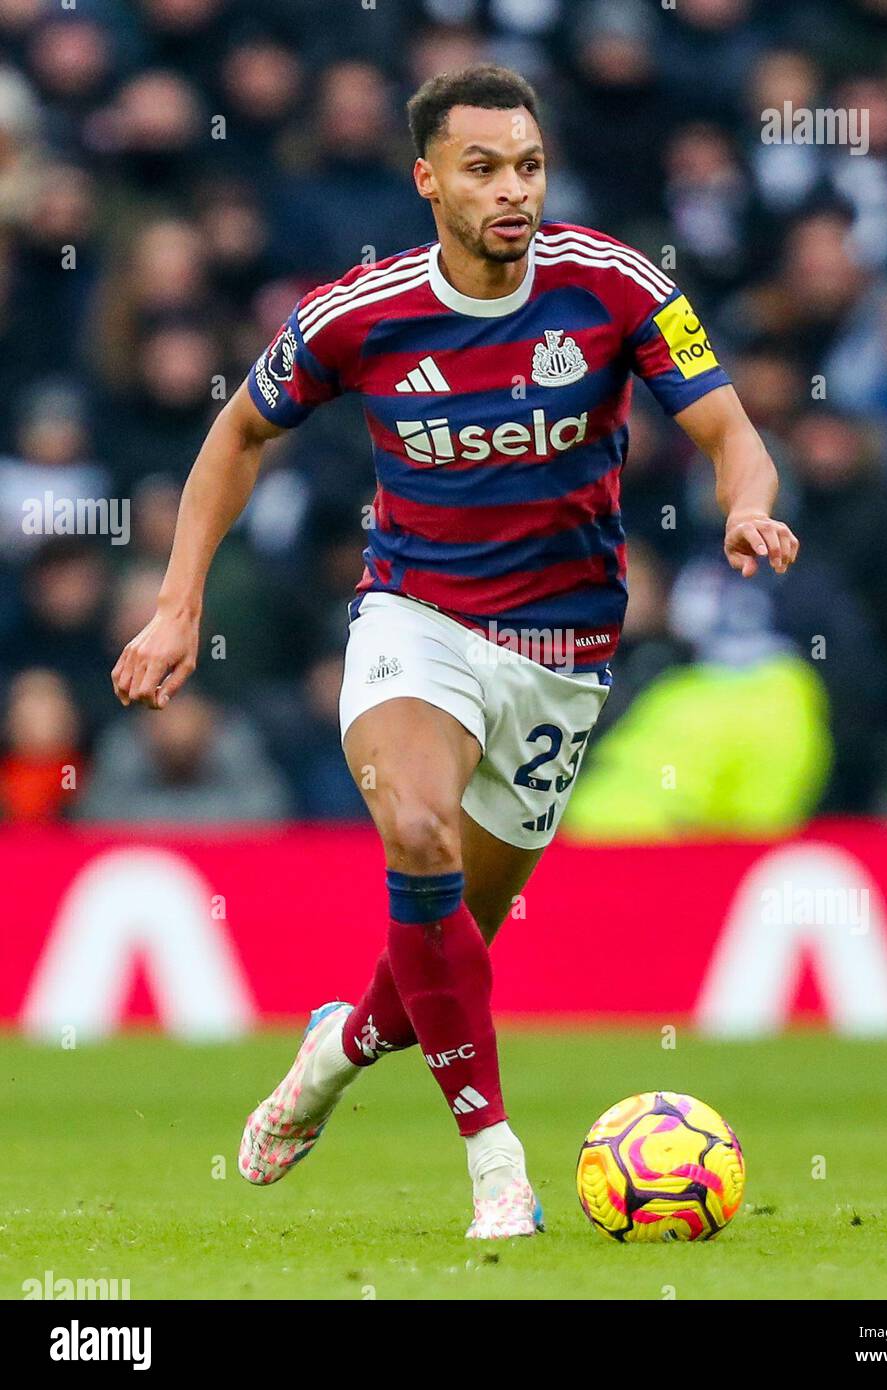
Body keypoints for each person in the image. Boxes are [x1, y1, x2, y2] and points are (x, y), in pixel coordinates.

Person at [110, 64, 798, 1239]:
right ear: (427, 180)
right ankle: (495, 1164)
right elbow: (235, 434)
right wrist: (179, 604)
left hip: (565, 652)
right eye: (482, 168)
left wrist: (742, 504)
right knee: (417, 833)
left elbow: (731, 429)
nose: (511, 190)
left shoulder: (614, 285)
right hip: (413, 622)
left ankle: (338, 1049)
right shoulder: (354, 313)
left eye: (527, 165)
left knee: (445, 944)